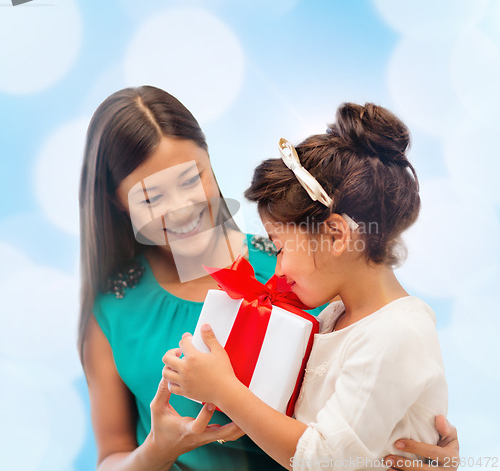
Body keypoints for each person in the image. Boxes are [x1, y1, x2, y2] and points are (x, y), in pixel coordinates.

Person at [78, 87, 459, 470]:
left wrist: (428, 444)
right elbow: (112, 455)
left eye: (192, 180)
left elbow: (370, 409)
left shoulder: (308, 271)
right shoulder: (114, 306)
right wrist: (158, 449)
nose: (180, 209)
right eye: (150, 198)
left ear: (210, 161)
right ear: (116, 200)